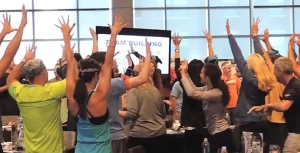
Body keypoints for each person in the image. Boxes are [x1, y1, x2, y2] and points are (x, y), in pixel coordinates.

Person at [65, 13, 127, 153]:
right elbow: (108, 62)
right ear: (96, 76)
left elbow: (70, 64)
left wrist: (67, 39)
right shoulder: (99, 96)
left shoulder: (72, 95)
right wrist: (114, 34)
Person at [226, 19, 277, 152]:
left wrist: (230, 36)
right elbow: (260, 56)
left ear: (251, 66)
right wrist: (254, 36)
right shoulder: (267, 80)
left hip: (246, 122)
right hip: (261, 121)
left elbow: (239, 58)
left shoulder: (250, 79)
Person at [249, 57, 300, 153]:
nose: (273, 73)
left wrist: (269, 106)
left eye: (274, 70)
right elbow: (285, 102)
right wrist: (266, 106)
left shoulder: (293, 87)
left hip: (296, 133)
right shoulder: (293, 84)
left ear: (280, 71)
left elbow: (284, 106)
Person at [180, 62, 232, 153]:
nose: (200, 75)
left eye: (202, 73)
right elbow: (194, 89)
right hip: (214, 133)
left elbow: (192, 94)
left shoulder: (217, 92)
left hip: (220, 134)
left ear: (207, 77)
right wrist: (186, 74)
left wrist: (183, 75)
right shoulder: (207, 88)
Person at [119, 58, 166, 153]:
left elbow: (131, 114)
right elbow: (163, 113)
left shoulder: (134, 91)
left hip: (141, 134)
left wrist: (115, 112)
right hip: (160, 134)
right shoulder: (155, 90)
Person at [172, 34, 206, 153]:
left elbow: (177, 70)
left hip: (188, 125)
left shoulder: (187, 85)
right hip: (203, 124)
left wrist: (177, 48)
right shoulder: (205, 86)